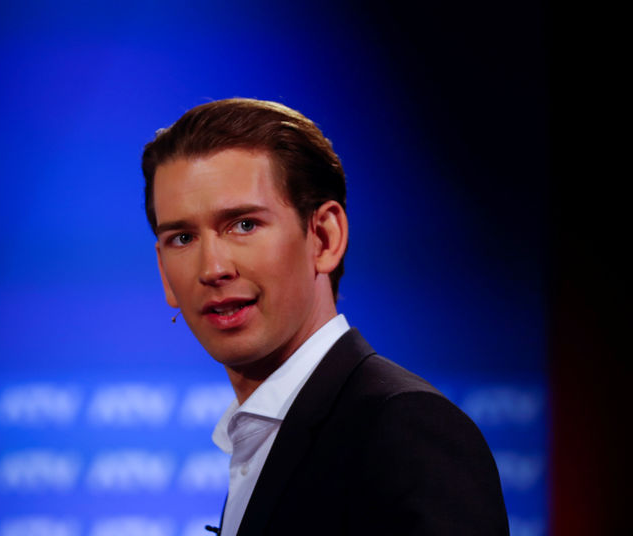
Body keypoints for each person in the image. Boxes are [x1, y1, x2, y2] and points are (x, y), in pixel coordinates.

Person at [141, 98, 508, 535]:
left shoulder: (403, 429)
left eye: (244, 225)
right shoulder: (267, 440)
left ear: (324, 237)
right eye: (182, 237)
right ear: (165, 275)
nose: (213, 268)